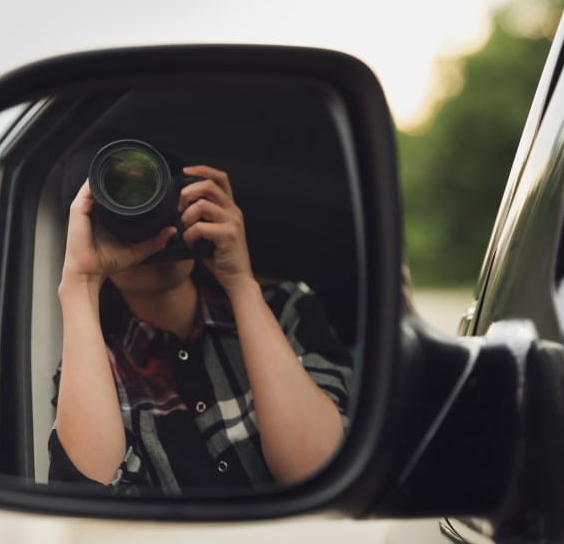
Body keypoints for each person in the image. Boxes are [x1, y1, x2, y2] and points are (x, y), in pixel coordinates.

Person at [48, 164, 352, 494]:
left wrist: (240, 283)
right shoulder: (91, 374)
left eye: (158, 199)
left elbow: (322, 470)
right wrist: (81, 282)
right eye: (123, 209)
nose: (147, 222)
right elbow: (90, 512)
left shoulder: (287, 309)